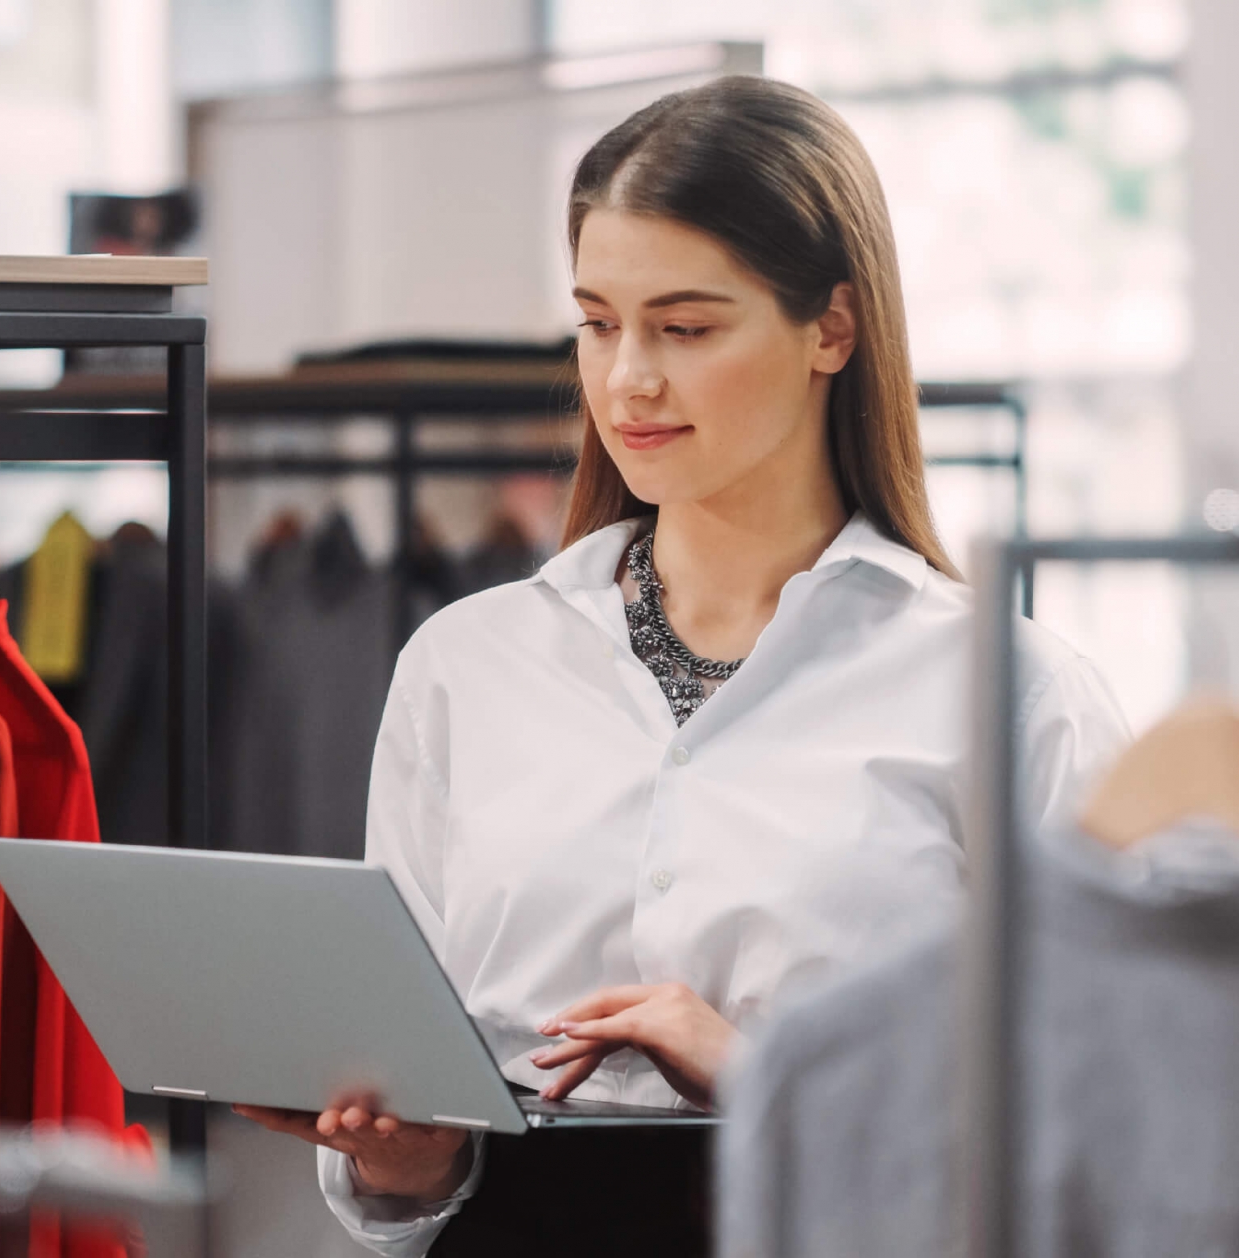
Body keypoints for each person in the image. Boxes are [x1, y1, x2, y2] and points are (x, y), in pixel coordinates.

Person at [236, 75, 1128, 1257]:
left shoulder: (1010, 697)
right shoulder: (466, 665)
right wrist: (409, 1159)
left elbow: (1097, 1146)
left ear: (831, 328)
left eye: (685, 327)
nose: (626, 381)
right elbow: (417, 1161)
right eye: (599, 322)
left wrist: (768, 1083)